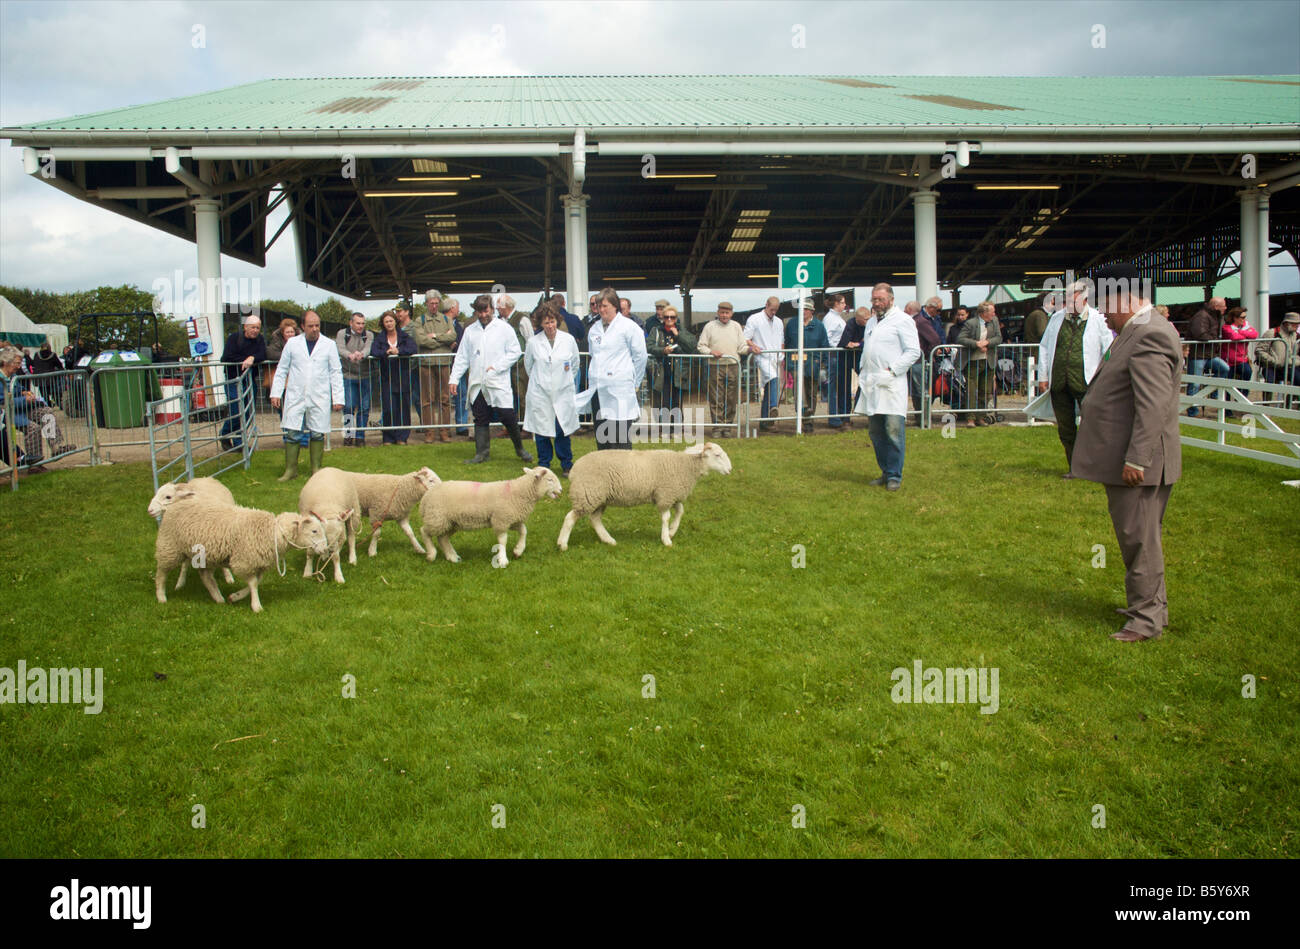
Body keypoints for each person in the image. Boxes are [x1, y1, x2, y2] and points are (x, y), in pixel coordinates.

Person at [1071, 263, 1182, 643]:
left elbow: (1152, 406)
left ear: (1124, 295)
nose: (1100, 310)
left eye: (1103, 301)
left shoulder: (1149, 334)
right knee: (1143, 538)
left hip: (1137, 463)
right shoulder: (1139, 329)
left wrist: (1137, 458)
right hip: (1134, 458)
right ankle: (1153, 608)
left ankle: (1146, 620)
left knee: (1139, 541)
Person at [1037, 279, 1113, 473]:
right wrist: (1043, 377)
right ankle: (1075, 467)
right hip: (1060, 383)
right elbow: (1045, 347)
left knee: (1093, 426)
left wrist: (1105, 379)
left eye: (1074, 301)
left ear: (1085, 300)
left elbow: (1109, 350)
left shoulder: (1099, 319)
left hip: (1087, 383)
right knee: (1066, 429)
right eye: (1068, 301)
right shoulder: (1057, 318)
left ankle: (1095, 465)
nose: (1070, 305)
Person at [450, 294, 533, 464]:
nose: (482, 315)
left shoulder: (504, 328)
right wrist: (454, 379)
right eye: (479, 312)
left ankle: (520, 449)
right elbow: (462, 357)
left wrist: (497, 366)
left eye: (485, 311)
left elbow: (515, 352)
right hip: (477, 382)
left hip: (498, 380)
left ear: (492, 309)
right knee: (480, 417)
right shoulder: (470, 331)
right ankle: (481, 453)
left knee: (507, 415)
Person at [853, 283, 920, 490]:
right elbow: (869, 348)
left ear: (891, 299)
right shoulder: (872, 321)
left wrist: (892, 370)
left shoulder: (903, 320)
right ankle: (885, 470)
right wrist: (863, 369)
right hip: (872, 384)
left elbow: (913, 351)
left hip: (891, 383)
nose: (876, 303)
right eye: (874, 299)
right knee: (875, 431)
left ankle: (894, 475)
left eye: (880, 299)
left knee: (893, 430)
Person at [270, 310, 343, 481]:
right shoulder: (292, 344)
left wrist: (338, 398)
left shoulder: (329, 344)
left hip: (319, 395)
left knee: (317, 432)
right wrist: (276, 393)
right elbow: (282, 369)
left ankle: (316, 469)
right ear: (302, 326)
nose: (315, 329)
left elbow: (336, 372)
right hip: (296, 394)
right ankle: (290, 470)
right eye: (311, 326)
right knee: (292, 432)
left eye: (317, 325)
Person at [580, 287, 648, 451]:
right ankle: (605, 474)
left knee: (620, 439)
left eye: (605, 306)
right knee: (602, 438)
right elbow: (593, 355)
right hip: (598, 390)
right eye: (598, 306)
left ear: (615, 306)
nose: (601, 309)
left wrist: (635, 382)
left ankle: (624, 475)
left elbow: (640, 356)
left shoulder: (629, 327)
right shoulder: (594, 329)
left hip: (620, 390)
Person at [524, 306, 580, 476]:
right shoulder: (533, 342)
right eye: (546, 322)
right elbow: (529, 366)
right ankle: (544, 464)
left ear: (558, 321)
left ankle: (566, 464)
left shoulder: (568, 340)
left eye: (552, 321)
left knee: (562, 428)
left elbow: (575, 364)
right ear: (541, 324)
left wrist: (562, 381)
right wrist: (543, 381)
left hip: (562, 393)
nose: (550, 326)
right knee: (541, 431)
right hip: (540, 394)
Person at [0, 347, 74, 472]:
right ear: (6, 362)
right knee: (33, 428)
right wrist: (24, 400)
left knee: (47, 412)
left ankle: (56, 446)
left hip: (22, 408)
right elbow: (3, 402)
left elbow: (17, 390)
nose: (19, 367)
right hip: (8, 412)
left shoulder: (12, 376)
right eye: (17, 363)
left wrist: (25, 393)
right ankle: (34, 464)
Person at [411, 289, 458, 443]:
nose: (434, 306)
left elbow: (453, 335)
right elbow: (421, 340)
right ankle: (429, 432)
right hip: (426, 363)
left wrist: (436, 337)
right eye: (431, 303)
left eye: (436, 303)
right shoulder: (420, 320)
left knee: (445, 398)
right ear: (426, 303)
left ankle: (444, 431)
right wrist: (442, 341)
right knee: (427, 399)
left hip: (444, 362)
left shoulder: (446, 319)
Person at [696, 302, 748, 438]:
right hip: (715, 366)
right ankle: (717, 427)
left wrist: (750, 349)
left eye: (727, 313)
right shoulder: (710, 326)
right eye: (722, 312)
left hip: (733, 365)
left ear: (731, 313)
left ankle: (728, 426)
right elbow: (701, 346)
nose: (724, 315)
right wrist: (711, 351)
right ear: (718, 312)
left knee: (731, 398)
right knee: (716, 397)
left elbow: (742, 346)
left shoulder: (736, 326)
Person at [647, 305, 697, 440]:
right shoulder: (656, 330)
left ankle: (676, 429)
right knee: (663, 401)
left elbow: (691, 346)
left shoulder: (681, 330)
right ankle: (664, 429)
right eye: (666, 317)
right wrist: (663, 351)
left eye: (672, 317)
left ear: (676, 318)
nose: (669, 319)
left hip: (679, 372)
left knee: (677, 401)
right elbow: (649, 346)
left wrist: (678, 335)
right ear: (662, 318)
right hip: (662, 371)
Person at [219, 314, 266, 450]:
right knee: (236, 409)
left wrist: (253, 358)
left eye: (258, 328)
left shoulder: (260, 340)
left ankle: (236, 440)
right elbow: (226, 357)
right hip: (233, 379)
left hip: (250, 380)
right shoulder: (234, 338)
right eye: (253, 327)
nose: (255, 330)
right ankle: (228, 435)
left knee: (248, 411)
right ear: (245, 327)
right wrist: (246, 359)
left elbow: (263, 354)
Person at [370, 311, 417, 445]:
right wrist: (386, 352)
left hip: (403, 377)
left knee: (404, 408)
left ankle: (402, 437)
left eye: (391, 321)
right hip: (387, 378)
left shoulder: (404, 336)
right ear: (383, 324)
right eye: (386, 321)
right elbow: (374, 351)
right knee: (389, 408)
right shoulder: (380, 338)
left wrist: (399, 351)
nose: (389, 323)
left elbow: (413, 348)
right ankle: (388, 437)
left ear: (395, 321)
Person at [783, 300, 830, 432]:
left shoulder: (819, 326)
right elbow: (787, 343)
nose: (803, 311)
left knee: (812, 392)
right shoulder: (791, 324)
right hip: (796, 362)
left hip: (813, 364)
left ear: (812, 311)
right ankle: (803, 416)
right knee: (799, 389)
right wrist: (787, 362)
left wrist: (822, 364)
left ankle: (810, 417)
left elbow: (824, 345)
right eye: (801, 309)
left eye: (806, 309)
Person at [744, 296, 785, 431]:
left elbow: (781, 339)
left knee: (770, 387)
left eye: (776, 310)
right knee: (772, 379)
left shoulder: (778, 322)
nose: (773, 312)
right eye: (772, 309)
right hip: (761, 356)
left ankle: (765, 421)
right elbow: (746, 338)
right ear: (766, 305)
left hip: (776, 357)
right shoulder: (754, 319)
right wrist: (753, 346)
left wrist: (782, 353)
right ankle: (773, 407)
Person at [958, 302, 1001, 426]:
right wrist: (976, 344)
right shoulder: (970, 323)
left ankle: (981, 417)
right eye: (992, 312)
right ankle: (970, 418)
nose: (994, 314)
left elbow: (999, 338)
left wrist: (987, 342)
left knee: (985, 390)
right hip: (973, 361)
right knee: (971, 391)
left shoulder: (995, 321)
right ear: (983, 313)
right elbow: (961, 338)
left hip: (988, 360)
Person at [336, 312, 374, 446]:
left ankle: (360, 436)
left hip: (365, 375)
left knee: (364, 407)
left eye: (363, 323)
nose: (361, 326)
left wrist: (361, 354)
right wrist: (349, 355)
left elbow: (368, 348)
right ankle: (348, 435)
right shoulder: (342, 334)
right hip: (348, 375)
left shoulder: (368, 334)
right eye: (358, 323)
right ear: (351, 323)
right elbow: (340, 348)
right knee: (349, 407)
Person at [1255, 312, 1300, 395]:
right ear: (1287, 323)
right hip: (1271, 366)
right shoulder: (1272, 333)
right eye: (1295, 324)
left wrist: (1294, 361)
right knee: (1269, 384)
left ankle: (1289, 403)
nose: (1297, 326)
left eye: (1298, 324)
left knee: (1298, 379)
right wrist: (1272, 360)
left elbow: (1297, 353)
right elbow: (1259, 350)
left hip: (1288, 366)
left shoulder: (1297, 336)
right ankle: (1266, 404)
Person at [910, 301, 942, 416]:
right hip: (914, 361)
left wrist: (928, 354)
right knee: (916, 390)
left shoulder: (920, 321)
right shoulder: (917, 321)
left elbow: (935, 339)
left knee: (921, 390)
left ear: (909, 309)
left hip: (919, 361)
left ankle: (924, 417)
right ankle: (920, 416)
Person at [821, 293, 849, 427]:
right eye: (843, 303)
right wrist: (838, 346)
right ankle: (833, 417)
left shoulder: (835, 317)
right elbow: (828, 338)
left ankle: (838, 415)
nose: (844, 305)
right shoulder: (831, 318)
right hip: (834, 355)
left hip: (837, 354)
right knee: (833, 388)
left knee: (837, 387)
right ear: (836, 304)